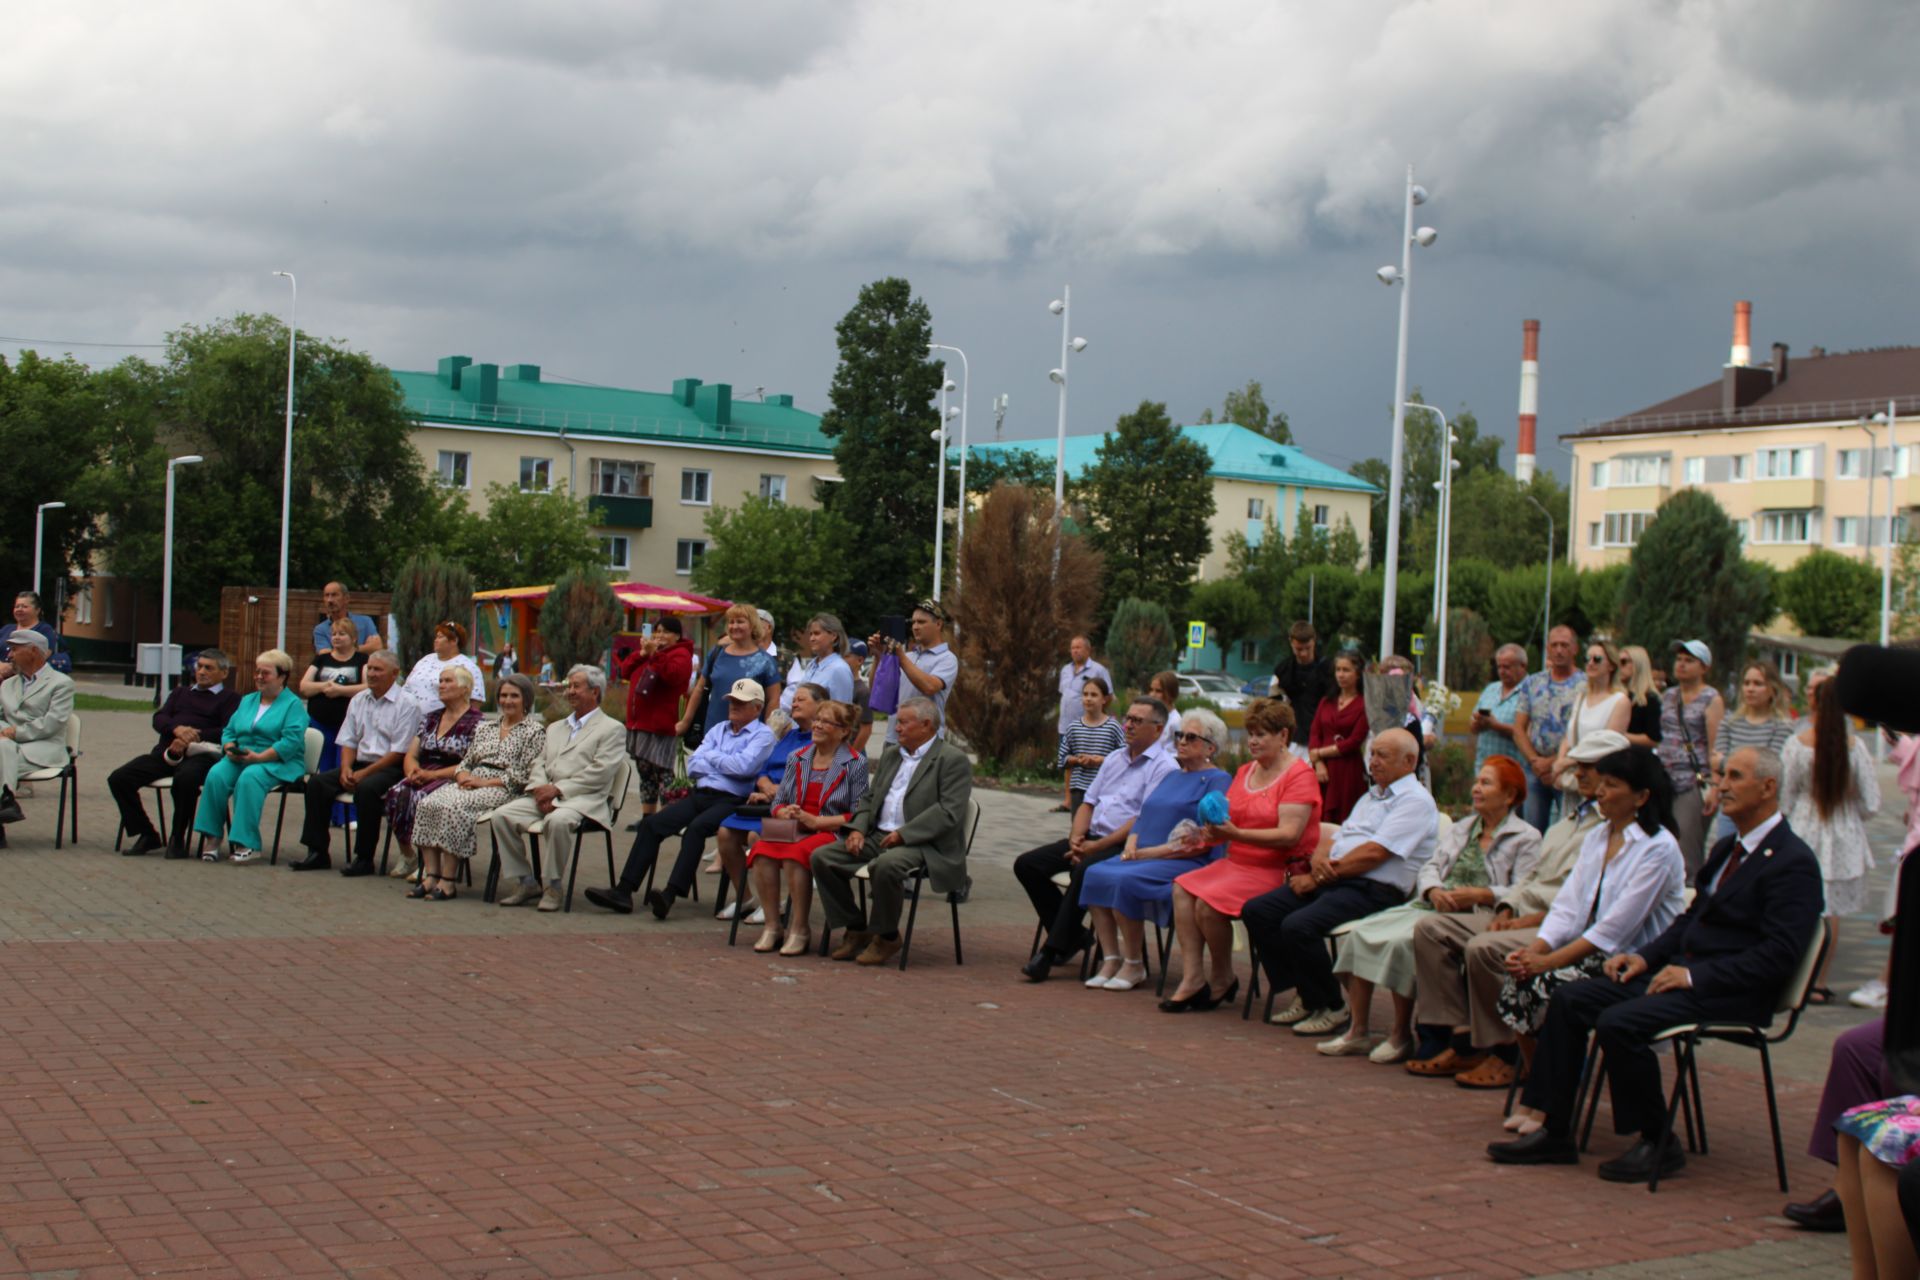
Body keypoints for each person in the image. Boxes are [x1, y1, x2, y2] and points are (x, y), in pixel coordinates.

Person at [1490, 744, 1821, 1182]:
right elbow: (1689, 921)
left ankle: (1657, 1140)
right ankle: (1554, 1130)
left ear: (1769, 787)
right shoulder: (1726, 849)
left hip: (1731, 991)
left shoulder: (1793, 862)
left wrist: (1692, 975)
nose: (1721, 786)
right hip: (1681, 977)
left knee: (1619, 1022)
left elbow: (1778, 956)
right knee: (1571, 999)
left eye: (1734, 777)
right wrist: (1643, 958)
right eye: (1721, 776)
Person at [1406, 732, 1618, 1088]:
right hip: (1519, 914)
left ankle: (1504, 1050)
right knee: (1431, 929)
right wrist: (1505, 908)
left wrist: (1519, 914)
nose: (1579, 774)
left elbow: (1580, 901)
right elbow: (1530, 880)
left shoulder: (1602, 831)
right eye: (1578, 766)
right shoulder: (1568, 823)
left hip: (1554, 925)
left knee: (1483, 948)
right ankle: (1460, 1037)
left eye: (1589, 767)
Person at [1494, 746, 1687, 1129]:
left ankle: (1550, 1104)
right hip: (1592, 952)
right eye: (1602, 782)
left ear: (1642, 796)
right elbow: (1568, 907)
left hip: (1634, 960)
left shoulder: (1658, 847)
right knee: (1519, 980)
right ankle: (1541, 1094)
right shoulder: (1599, 836)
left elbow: (1616, 928)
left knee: (1553, 985)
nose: (1599, 791)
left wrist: (1549, 962)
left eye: (1612, 785)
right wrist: (1535, 950)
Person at [1322, 755, 1542, 1063]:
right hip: (1433, 906)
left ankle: (1402, 1035)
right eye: (1477, 782)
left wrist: (1483, 894)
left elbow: (1524, 889)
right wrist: (1433, 889)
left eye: (1486, 783)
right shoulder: (1463, 827)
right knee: (1360, 933)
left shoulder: (1526, 837)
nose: (1476, 789)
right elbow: (1431, 866)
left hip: (1478, 914)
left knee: (1402, 943)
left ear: (1510, 795)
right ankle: (1358, 1030)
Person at [1240, 729, 1436, 1036]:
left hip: (1375, 889)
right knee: (1258, 911)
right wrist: (1317, 866)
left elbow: (1375, 853)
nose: (1373, 761)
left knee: (1298, 925)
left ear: (1410, 761)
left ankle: (1332, 1006)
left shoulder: (1415, 801)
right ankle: (1307, 993)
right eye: (1372, 753)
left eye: (1382, 755)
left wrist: (1317, 877)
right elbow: (1339, 838)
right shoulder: (1372, 796)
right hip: (1339, 879)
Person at [1158, 700, 1322, 1013]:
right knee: (1181, 885)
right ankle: (1194, 977)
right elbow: (1227, 817)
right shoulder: (1247, 770)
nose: (1253, 741)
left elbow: (1289, 835)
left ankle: (1222, 977)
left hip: (1276, 869)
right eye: (1250, 734)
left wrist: (1234, 835)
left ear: (1283, 735)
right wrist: (1208, 831)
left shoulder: (1299, 776)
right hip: (1238, 864)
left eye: (1261, 734)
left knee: (1207, 905)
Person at [1015, 696, 1176, 982]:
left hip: (1124, 845)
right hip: (1091, 836)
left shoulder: (1164, 767)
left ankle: (1051, 952)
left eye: (1137, 721)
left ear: (1158, 729)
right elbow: (1087, 803)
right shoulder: (1115, 758)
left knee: (1085, 870)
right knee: (1027, 864)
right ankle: (1074, 936)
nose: (1128, 725)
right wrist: (1076, 839)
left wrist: (1094, 848)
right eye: (1128, 718)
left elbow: (1142, 820)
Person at [589, 678, 774, 920]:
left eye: (741, 703)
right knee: (651, 824)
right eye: (732, 701)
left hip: (732, 799)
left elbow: (743, 767)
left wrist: (713, 757)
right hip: (701, 793)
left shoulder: (763, 735)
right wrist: (722, 760)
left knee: (695, 830)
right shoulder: (719, 729)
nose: (733, 706)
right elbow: (695, 764)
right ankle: (623, 890)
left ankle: (669, 894)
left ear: (757, 708)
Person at [812, 697, 973, 967]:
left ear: (926, 725)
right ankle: (855, 927)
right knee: (822, 857)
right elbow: (869, 798)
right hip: (879, 835)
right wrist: (858, 829)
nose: (896, 728)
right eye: (897, 722)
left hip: (925, 844)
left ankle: (886, 936)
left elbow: (949, 812)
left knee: (886, 866)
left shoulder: (952, 760)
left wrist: (905, 834)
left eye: (903, 723)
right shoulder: (891, 754)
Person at [1081, 709, 1233, 991]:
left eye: (1191, 737)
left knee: (1122, 879)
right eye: (1179, 735)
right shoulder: (1173, 775)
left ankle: (1134, 963)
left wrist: (1147, 854)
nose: (1182, 742)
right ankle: (1112, 958)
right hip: (1143, 855)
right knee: (1094, 872)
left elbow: (1201, 838)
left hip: (1185, 861)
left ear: (1211, 747)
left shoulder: (1218, 781)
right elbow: (1143, 814)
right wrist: (1131, 843)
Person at [488, 665, 627, 911]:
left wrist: (558, 790)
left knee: (558, 821)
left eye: (576, 686)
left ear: (595, 692)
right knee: (501, 816)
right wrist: (540, 789)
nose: (570, 691)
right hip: (545, 794)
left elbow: (600, 772)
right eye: (569, 686)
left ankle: (553, 886)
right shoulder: (555, 727)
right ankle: (526, 881)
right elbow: (539, 762)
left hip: (583, 799)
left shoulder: (612, 729)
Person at [1783, 666, 1880, 1004]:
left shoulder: (1797, 744)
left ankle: (1794, 977)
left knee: (1798, 904)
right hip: (1843, 830)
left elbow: (1785, 795)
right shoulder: (1856, 748)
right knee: (1830, 910)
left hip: (1805, 826)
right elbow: (1872, 802)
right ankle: (1820, 981)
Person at [746, 699, 869, 957]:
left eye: (826, 722)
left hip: (830, 830)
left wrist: (817, 822)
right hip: (795, 827)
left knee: (796, 854)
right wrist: (784, 812)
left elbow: (859, 812)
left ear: (843, 730)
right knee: (763, 850)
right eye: (817, 720)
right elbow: (778, 802)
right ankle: (772, 926)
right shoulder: (797, 758)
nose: (817, 725)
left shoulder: (855, 763)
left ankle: (799, 928)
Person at [411, 673, 545, 895]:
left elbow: (523, 776)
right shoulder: (487, 728)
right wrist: (462, 774)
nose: (507, 701)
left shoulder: (534, 732)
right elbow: (467, 760)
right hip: (471, 781)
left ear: (526, 700)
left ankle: (448, 880)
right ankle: (431, 876)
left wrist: (484, 782)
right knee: (428, 804)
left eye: (514, 696)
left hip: (503, 787)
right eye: (503, 695)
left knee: (455, 807)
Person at [289, 650, 416, 876]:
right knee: (317, 783)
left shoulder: (407, 704)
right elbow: (348, 739)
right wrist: (347, 768)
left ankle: (364, 858)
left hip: (392, 767)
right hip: (360, 763)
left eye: (378, 669)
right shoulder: (359, 699)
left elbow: (399, 751)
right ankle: (317, 852)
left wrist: (364, 774)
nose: (372, 674)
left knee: (367, 790)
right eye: (370, 668)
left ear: (394, 674)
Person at [110, 649, 241, 858]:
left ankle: (178, 837)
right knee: (119, 778)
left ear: (224, 673)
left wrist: (193, 736)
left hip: (202, 755)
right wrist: (177, 730)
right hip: (168, 752)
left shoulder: (230, 699)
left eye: (209, 668)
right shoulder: (181, 692)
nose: (202, 672)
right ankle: (146, 834)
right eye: (199, 667)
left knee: (186, 780)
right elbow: (159, 718)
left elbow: (227, 730)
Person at [714, 684, 822, 922]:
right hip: (764, 801)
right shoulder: (790, 735)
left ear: (820, 705)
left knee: (757, 836)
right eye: (793, 699)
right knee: (725, 833)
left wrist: (777, 793)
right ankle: (745, 898)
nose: (793, 704)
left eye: (801, 700)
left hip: (789, 808)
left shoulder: (820, 743)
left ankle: (771, 902)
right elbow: (764, 767)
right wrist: (763, 784)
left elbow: (809, 780)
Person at [189, 650, 310, 863]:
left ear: (282, 676)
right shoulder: (248, 700)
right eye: (257, 672)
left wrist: (260, 757)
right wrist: (228, 747)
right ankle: (212, 837)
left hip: (278, 760)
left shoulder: (293, 705)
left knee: (249, 778)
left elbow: (290, 742)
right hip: (243, 756)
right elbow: (229, 730)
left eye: (266, 673)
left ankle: (248, 843)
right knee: (216, 774)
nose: (259, 677)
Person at [386, 666, 483, 895]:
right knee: (397, 792)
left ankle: (431, 869)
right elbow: (412, 753)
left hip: (453, 775)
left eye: (448, 681)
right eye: (440, 681)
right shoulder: (431, 717)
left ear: (464, 689)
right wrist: (412, 771)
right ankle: (411, 856)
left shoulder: (477, 722)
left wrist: (432, 776)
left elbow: (472, 763)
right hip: (423, 771)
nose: (441, 685)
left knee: (423, 798)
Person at [1654, 638, 1724, 877]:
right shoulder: (1669, 696)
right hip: (1664, 778)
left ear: (1704, 667)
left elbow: (1715, 745)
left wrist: (1714, 785)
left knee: (1686, 844)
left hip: (1693, 780)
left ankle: (1690, 892)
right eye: (1679, 659)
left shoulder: (1711, 699)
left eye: (1689, 661)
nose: (1681, 665)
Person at [0, 629, 74, 843]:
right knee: (3, 748)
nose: (9, 655)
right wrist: (5, 730)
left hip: (44, 747)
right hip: (8, 747)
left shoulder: (61, 684)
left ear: (33, 651)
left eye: (14, 649)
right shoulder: (8, 684)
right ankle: (6, 803)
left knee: (3, 749)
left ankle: (5, 809)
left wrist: (16, 733)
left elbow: (53, 723)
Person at [1510, 624, 1586, 832]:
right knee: (1531, 831)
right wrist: (1535, 761)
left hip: (1568, 767)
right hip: (1534, 769)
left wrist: (1554, 763)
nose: (1559, 650)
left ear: (1575, 649)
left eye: (1564, 645)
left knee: (1568, 830)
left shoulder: (1585, 685)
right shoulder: (1533, 683)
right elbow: (1519, 728)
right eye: (1554, 645)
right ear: (1548, 649)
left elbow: (1584, 732)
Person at [1710, 658, 1795, 844]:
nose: (1750, 688)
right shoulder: (1730, 722)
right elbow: (1715, 762)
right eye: (1747, 683)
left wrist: (1726, 763)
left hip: (1761, 807)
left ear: (1772, 689)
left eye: (1758, 684)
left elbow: (1770, 766)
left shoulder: (1782, 726)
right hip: (1731, 802)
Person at [618, 617, 695, 818]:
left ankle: (667, 817)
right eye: (657, 631)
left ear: (677, 636)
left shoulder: (681, 654)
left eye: (666, 632)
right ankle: (647, 818)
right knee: (645, 772)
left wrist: (655, 655)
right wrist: (643, 654)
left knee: (663, 772)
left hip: (661, 725)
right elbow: (625, 671)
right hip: (639, 723)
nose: (660, 635)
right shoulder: (650, 653)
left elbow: (673, 675)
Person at [678, 604, 781, 741]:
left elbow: (773, 700)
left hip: (749, 736)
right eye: (731, 622)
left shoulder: (765, 661)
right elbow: (699, 689)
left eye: (740, 621)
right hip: (713, 732)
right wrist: (685, 722)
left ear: (752, 626)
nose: (734, 626)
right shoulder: (717, 653)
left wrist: (769, 734)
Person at [1548, 639, 1630, 794]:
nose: (1590, 663)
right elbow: (1569, 736)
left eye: (1597, 659)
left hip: (1597, 778)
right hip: (1573, 775)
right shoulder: (1581, 697)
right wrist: (1559, 761)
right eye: (1587, 659)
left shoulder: (1619, 701)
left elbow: (1609, 746)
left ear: (1611, 665)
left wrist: (1566, 762)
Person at [871, 601, 958, 742]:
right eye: (913, 622)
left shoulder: (947, 658)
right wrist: (878, 656)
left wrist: (901, 657)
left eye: (922, 622)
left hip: (925, 742)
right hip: (895, 738)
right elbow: (877, 691)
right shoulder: (908, 656)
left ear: (938, 624)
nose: (916, 627)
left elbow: (929, 687)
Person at [1307, 649, 1369, 824]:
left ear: (1358, 673)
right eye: (1338, 670)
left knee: (1343, 818)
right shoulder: (1326, 701)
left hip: (1347, 770)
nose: (1341, 675)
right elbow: (1315, 732)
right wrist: (1318, 763)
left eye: (1346, 670)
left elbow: (1354, 741)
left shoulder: (1363, 704)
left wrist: (1320, 753)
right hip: (1322, 770)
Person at [1055, 676, 1124, 814]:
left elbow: (1124, 757)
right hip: (1079, 790)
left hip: (1104, 789)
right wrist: (1075, 760)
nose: (1088, 698)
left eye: (1094, 695)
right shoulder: (1073, 727)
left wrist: (1101, 760)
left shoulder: (1113, 727)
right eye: (1085, 694)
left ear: (1104, 699)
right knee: (1078, 829)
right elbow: (1062, 759)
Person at [402, 620, 487, 712]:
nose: (435, 640)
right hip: (408, 719)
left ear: (454, 641)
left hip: (439, 723)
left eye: (440, 637)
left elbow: (475, 701)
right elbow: (407, 686)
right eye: (436, 637)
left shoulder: (468, 667)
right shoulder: (425, 660)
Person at [1471, 644, 1530, 772]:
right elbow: (1472, 727)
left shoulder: (1533, 690)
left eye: (1507, 667)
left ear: (1523, 666)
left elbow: (1530, 732)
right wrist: (1477, 723)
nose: (1502, 671)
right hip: (1484, 766)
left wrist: (1495, 725)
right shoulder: (1491, 689)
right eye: (1499, 667)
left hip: (1515, 769)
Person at [780, 614, 856, 711]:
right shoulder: (812, 665)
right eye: (810, 634)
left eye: (817, 633)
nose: (812, 638)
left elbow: (841, 711)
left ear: (833, 636)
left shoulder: (839, 669)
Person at [1271, 621, 1334, 732]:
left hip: (1322, 734)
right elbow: (1274, 706)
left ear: (1314, 640)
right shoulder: (1281, 671)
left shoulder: (1329, 669)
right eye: (1299, 649)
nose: (1304, 653)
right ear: (1291, 642)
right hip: (1292, 735)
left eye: (1308, 648)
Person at [1057, 634, 1113, 743]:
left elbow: (1108, 697)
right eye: (1072, 648)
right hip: (1064, 728)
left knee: (1085, 759)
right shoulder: (1065, 670)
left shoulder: (1099, 670)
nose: (1075, 651)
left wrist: (1096, 714)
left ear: (1088, 650)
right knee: (1065, 759)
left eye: (1078, 647)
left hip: (1087, 729)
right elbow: (1064, 695)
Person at [0, 590, 61, 679]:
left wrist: (10, 669)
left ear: (37, 610)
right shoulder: (6, 629)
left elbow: (40, 658)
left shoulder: (45, 630)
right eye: (17, 606)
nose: (19, 609)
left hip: (25, 680)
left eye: (24, 606)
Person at [312, 582, 379, 656]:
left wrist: (338, 650)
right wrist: (362, 648)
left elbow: (376, 647)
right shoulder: (320, 629)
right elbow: (325, 655)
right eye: (327, 595)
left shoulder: (365, 622)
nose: (329, 600)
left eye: (334, 595)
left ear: (346, 598)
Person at [1617, 645, 1662, 751]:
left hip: (1637, 759)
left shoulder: (1650, 699)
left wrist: (1617, 734)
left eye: (1623, 662)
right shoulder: (1615, 695)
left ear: (1638, 664)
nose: (1618, 667)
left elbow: (1653, 739)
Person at [1147, 671, 1185, 745]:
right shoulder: (1153, 717)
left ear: (1170, 693)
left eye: (1158, 691)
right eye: (1151, 690)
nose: (1152, 694)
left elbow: (1180, 748)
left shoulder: (1176, 721)